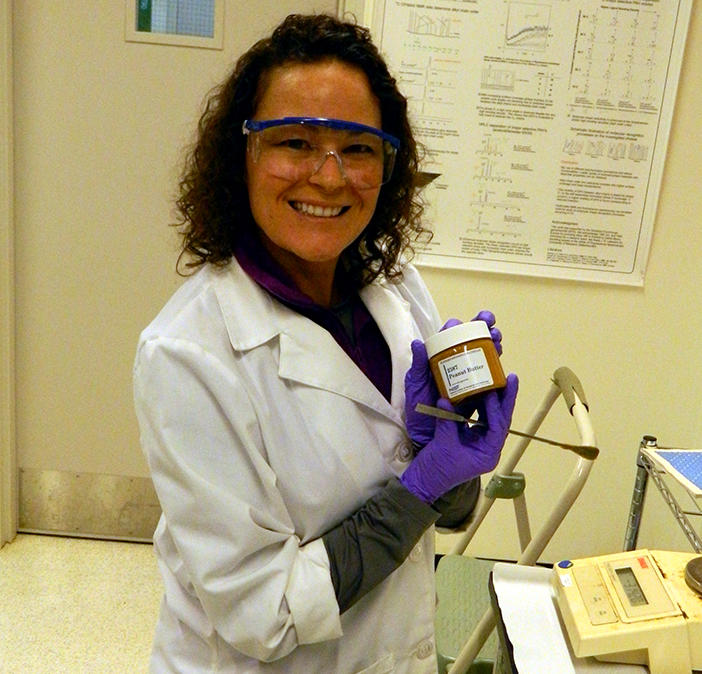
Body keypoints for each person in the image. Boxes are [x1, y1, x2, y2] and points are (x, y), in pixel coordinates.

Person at [133, 13, 518, 673]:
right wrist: (420, 486)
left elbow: (443, 513)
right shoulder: (187, 354)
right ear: (243, 154)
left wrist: (452, 461)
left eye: (359, 147)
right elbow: (266, 613)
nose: (330, 177)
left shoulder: (396, 286)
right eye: (295, 143)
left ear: (387, 165)